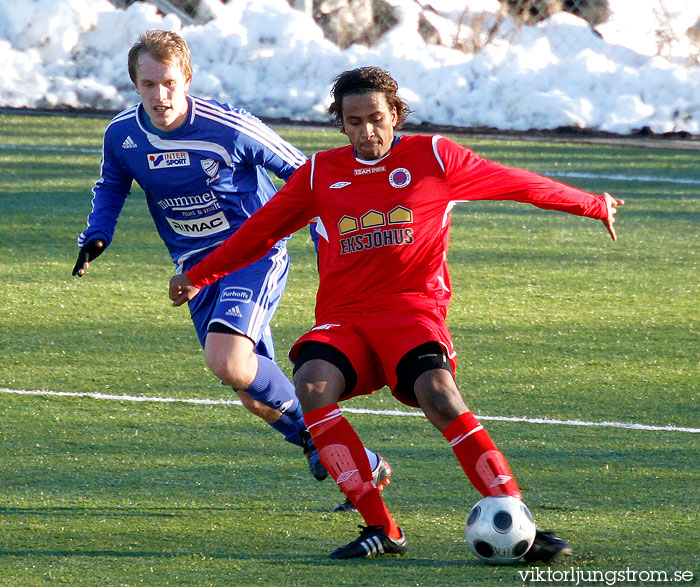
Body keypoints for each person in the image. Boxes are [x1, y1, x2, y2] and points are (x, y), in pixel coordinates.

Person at [169, 66, 624, 561]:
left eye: (377, 118)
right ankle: (382, 528)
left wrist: (591, 205)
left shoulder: (434, 157)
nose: (368, 131)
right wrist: (201, 274)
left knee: (438, 393)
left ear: (396, 115)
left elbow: (516, 184)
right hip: (344, 318)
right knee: (313, 386)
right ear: (340, 123)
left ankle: (510, 512)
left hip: (411, 312)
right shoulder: (319, 174)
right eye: (354, 120)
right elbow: (261, 231)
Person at [72, 31, 391, 504]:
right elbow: (112, 185)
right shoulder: (123, 134)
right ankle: (348, 455)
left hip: (252, 253)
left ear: (187, 79)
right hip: (195, 268)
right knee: (246, 386)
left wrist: (331, 233)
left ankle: (322, 441)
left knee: (226, 360)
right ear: (134, 84)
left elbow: (306, 175)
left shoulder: (229, 126)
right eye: (147, 85)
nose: (160, 96)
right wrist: (98, 233)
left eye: (169, 83)